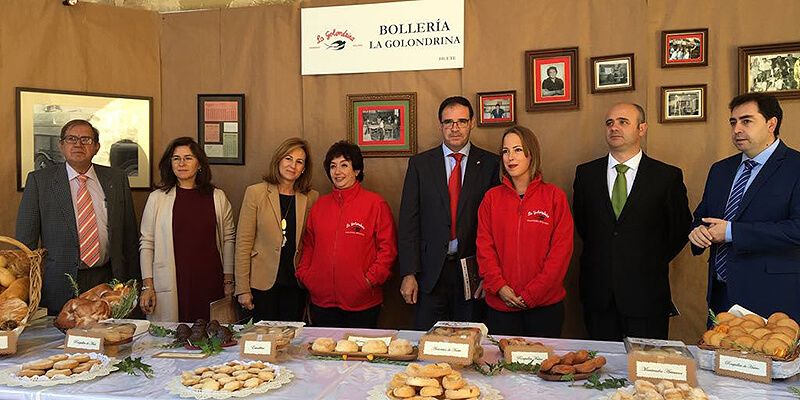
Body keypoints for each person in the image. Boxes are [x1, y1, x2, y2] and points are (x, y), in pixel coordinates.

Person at [573, 103, 691, 340]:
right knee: (600, 371)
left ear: (642, 128)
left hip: (647, 295)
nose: (614, 127)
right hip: (599, 297)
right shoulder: (586, 174)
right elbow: (584, 226)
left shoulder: (666, 176)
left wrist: (645, 259)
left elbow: (679, 230)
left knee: (647, 372)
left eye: (623, 122)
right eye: (609, 123)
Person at [688, 93, 800, 321]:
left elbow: (797, 229)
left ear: (771, 124)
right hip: (721, 294)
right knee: (717, 356)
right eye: (733, 122)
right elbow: (702, 217)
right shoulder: (720, 170)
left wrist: (731, 232)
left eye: (746, 121)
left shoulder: (795, 167)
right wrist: (697, 231)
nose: (737, 129)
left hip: (773, 297)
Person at [16, 119, 140, 314]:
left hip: (107, 279)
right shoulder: (40, 181)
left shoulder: (116, 179)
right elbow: (25, 242)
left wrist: (134, 284)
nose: (78, 144)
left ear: (97, 147)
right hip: (58, 283)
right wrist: (26, 289)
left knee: (108, 338)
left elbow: (129, 237)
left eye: (86, 139)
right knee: (59, 341)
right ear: (61, 145)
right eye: (71, 139)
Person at [398, 96, 501, 330]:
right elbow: (408, 222)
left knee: (470, 342)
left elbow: (496, 226)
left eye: (461, 121)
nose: (455, 128)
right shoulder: (420, 164)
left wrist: (489, 274)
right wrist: (409, 272)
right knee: (429, 344)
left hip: (473, 271)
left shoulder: (491, 165)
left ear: (472, 123)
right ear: (440, 124)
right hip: (429, 273)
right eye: (448, 122)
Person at [476, 125, 573, 337]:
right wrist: (500, 287)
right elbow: (484, 249)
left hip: (545, 308)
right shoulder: (491, 199)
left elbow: (560, 253)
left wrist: (532, 294)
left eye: (518, 150)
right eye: (505, 151)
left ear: (531, 153)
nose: (510, 157)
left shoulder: (554, 197)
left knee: (544, 369)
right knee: (502, 369)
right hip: (501, 307)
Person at [295, 141, 397, 328]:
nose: (337, 171)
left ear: (356, 170)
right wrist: (307, 276)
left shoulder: (375, 204)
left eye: (344, 165)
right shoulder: (319, 206)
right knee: (321, 355)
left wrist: (368, 281)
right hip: (321, 302)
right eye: (333, 166)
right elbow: (308, 245)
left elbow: (387, 250)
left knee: (360, 356)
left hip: (363, 302)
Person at [138, 137, 235, 322]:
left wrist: (228, 280)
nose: (181, 163)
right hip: (172, 282)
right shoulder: (157, 198)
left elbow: (229, 239)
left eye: (188, 158)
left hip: (210, 281)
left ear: (199, 163)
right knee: (173, 339)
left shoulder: (217, 197)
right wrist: (147, 286)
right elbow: (147, 243)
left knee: (213, 339)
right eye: (176, 158)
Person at [235, 138, 318, 322]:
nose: (292, 166)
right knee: (262, 343)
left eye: (299, 162)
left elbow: (312, 242)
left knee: (293, 342)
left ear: (304, 168)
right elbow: (243, 243)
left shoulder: (311, 197)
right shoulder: (255, 193)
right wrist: (242, 289)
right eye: (288, 159)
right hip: (261, 284)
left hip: (296, 284)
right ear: (279, 160)